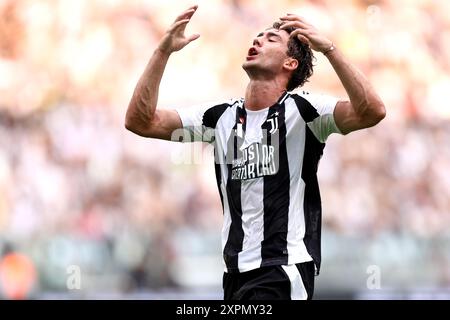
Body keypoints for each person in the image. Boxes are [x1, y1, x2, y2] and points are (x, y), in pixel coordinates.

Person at [125, 5, 386, 300]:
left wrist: (329, 49)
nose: (258, 40)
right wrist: (162, 52)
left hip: (283, 269)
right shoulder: (219, 117)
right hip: (235, 275)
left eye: (271, 39)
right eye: (258, 36)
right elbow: (140, 121)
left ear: (289, 63)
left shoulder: (304, 111)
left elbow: (371, 111)